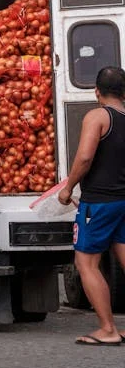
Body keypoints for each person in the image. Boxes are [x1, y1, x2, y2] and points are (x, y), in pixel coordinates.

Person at [58, 66, 125, 346]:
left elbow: (85, 157)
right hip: (123, 200)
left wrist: (68, 187)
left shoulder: (97, 116)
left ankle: (108, 329)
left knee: (86, 263)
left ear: (96, 91)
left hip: (99, 202)